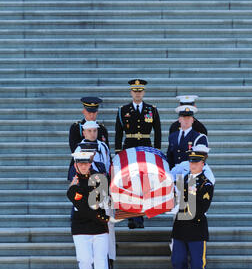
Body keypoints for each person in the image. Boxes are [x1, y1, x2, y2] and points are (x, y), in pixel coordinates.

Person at [171, 146, 214, 269]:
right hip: (180, 228)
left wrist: (183, 205)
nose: (193, 165)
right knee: (177, 260)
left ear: (203, 164)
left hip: (196, 229)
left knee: (197, 265)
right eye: (191, 162)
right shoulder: (181, 181)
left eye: (196, 162)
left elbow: (201, 208)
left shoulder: (206, 183)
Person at [67, 149, 111, 269]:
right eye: (80, 163)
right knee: (84, 260)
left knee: (101, 263)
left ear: (90, 163)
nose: (84, 166)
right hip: (81, 228)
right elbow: (87, 207)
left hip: (99, 228)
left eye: (86, 163)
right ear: (76, 165)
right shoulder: (74, 187)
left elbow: (102, 201)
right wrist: (104, 217)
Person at [114, 79, 162, 229]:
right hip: (129, 147)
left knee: (143, 182)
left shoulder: (151, 109)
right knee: (129, 182)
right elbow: (118, 132)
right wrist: (117, 152)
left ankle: (140, 215)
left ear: (144, 92)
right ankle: (130, 215)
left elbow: (158, 132)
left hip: (146, 148)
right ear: (131, 92)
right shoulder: (123, 110)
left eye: (140, 91)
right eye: (135, 91)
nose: (137, 93)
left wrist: (157, 151)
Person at [68, 96, 109, 180]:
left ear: (97, 112)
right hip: (81, 168)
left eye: (94, 112)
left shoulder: (102, 128)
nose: (91, 115)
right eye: (89, 112)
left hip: (99, 170)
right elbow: (74, 149)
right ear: (83, 111)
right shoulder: (76, 127)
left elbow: (106, 152)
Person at [167, 105, 208, 170]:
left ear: (193, 120)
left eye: (189, 118)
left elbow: (202, 159)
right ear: (179, 120)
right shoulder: (173, 136)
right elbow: (170, 156)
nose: (186, 120)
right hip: (175, 171)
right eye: (184, 118)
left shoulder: (199, 137)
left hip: (192, 172)